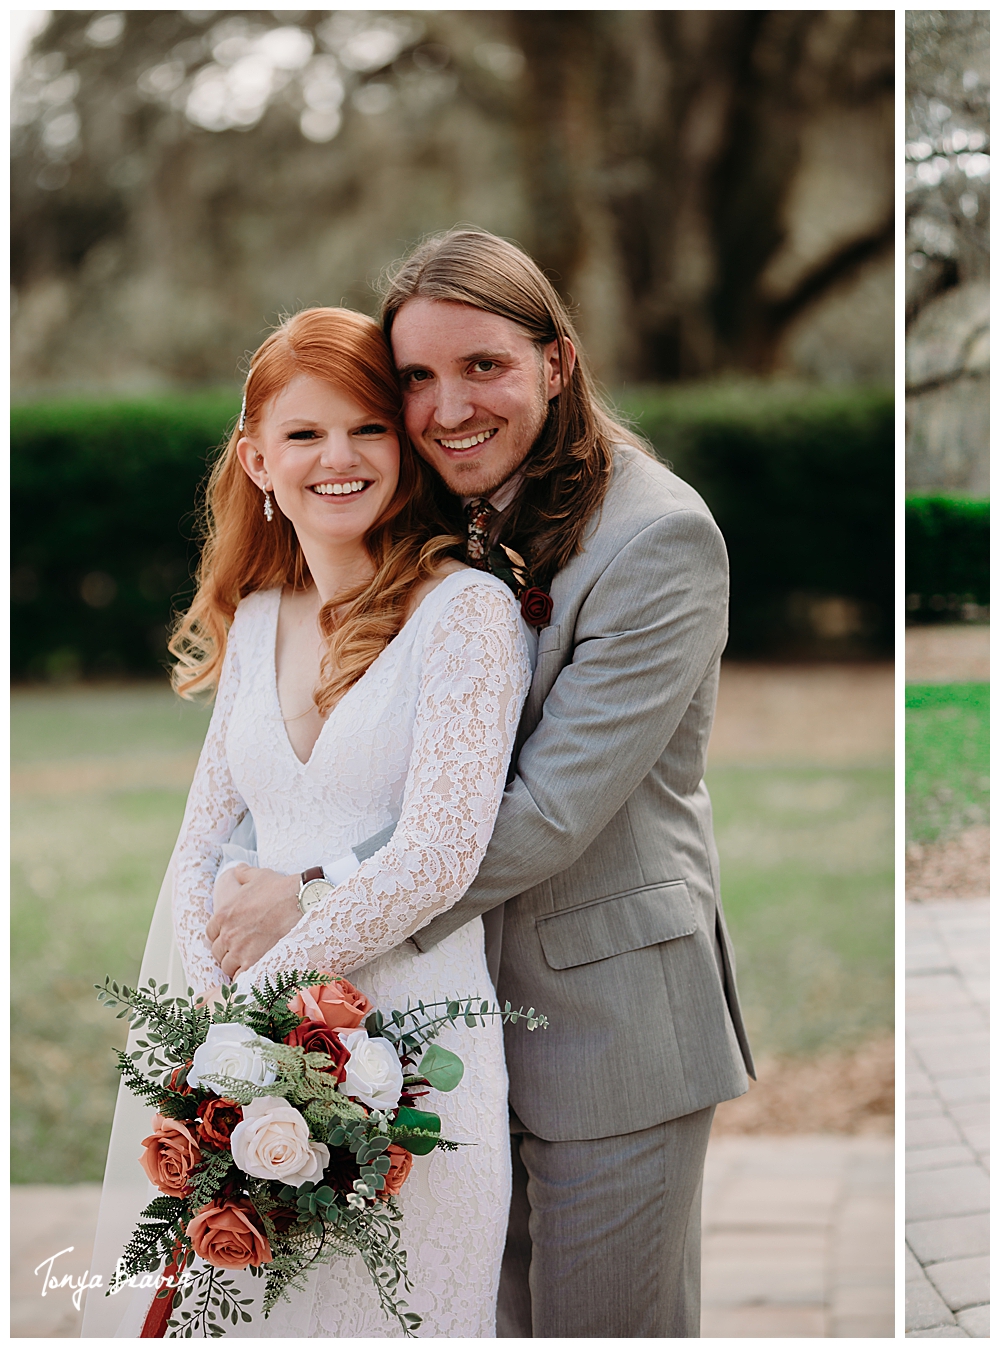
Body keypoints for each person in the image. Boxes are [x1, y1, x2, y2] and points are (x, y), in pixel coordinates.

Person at [198, 229, 754, 1336]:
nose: (448, 407)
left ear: (557, 362)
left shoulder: (658, 539)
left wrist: (309, 898)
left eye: (483, 366)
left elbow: (547, 813)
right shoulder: (433, 521)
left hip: (609, 1027)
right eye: (416, 378)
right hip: (432, 1028)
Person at [85, 306, 530, 1336]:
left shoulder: (465, 615)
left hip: (408, 1052)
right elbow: (203, 840)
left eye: (369, 428)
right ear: (256, 460)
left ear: (405, 447)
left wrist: (260, 1001)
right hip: (238, 1070)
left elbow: (437, 855)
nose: (340, 457)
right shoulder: (258, 622)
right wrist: (213, 1036)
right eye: (304, 434)